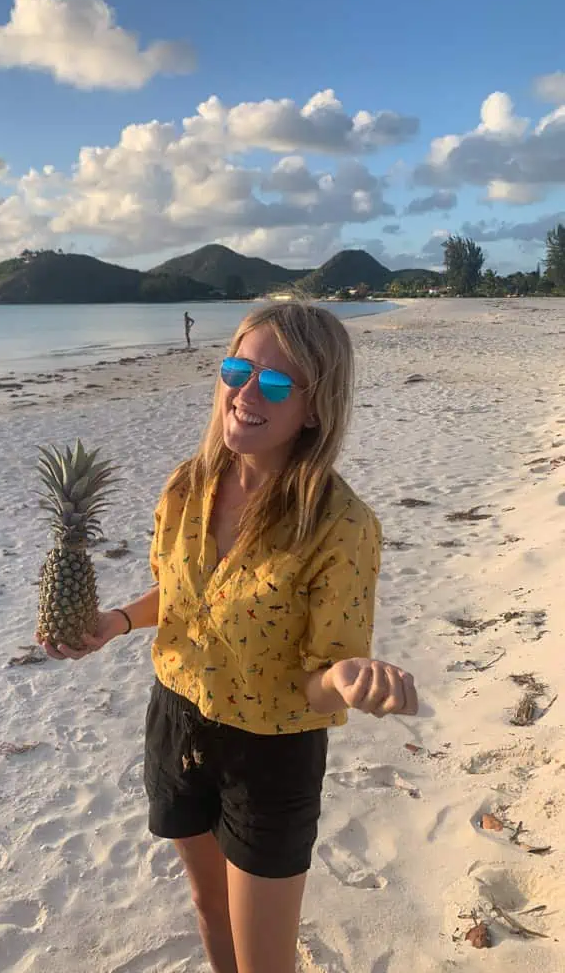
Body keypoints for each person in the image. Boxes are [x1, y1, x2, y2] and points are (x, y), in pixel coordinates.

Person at [39, 300, 419, 973]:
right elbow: (185, 599)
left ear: (314, 408)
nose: (245, 392)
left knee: (265, 959)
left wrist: (350, 679)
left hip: (270, 754)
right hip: (177, 721)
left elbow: (319, 678)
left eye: (275, 383)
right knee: (210, 911)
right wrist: (116, 621)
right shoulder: (188, 486)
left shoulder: (341, 525)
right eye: (236, 368)